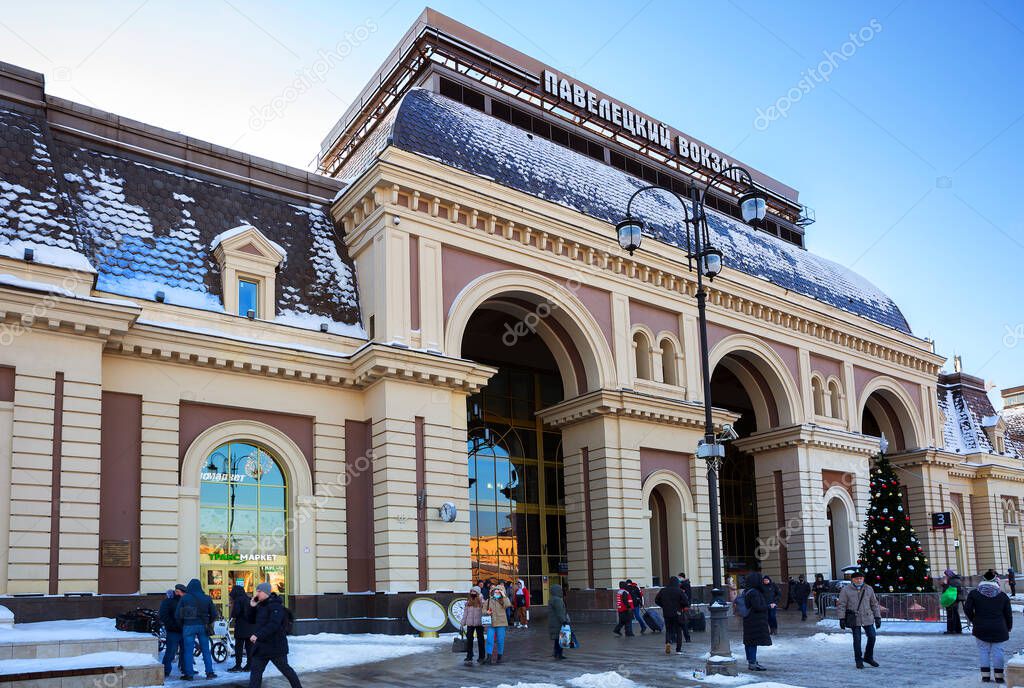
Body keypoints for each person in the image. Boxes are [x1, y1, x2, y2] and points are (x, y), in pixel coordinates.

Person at [246, 582, 302, 688]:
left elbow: (273, 625)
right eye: (257, 591)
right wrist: (252, 607)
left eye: (259, 591)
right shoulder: (260, 605)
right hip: (261, 648)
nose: (257, 594)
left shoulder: (276, 606)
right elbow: (250, 620)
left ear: (266, 592)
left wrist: (258, 635)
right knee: (255, 673)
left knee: (286, 670)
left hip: (276, 647)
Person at [965, 569, 1013, 684]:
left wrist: (974, 619)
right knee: (998, 651)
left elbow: (967, 609)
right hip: (999, 627)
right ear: (995, 581)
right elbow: (1008, 614)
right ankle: (999, 676)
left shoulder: (974, 594)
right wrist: (1009, 626)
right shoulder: (1002, 595)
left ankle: (985, 676)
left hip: (980, 627)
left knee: (983, 651)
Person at [836, 570, 881, 669]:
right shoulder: (846, 590)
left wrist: (877, 617)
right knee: (857, 640)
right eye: (857, 578)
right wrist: (841, 618)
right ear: (852, 580)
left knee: (872, 636)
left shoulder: (869, 589)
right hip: (854, 618)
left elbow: (874, 604)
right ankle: (858, 660)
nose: (859, 580)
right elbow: (841, 605)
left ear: (863, 579)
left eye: (861, 578)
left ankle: (868, 657)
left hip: (867, 617)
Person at [175, 578, 218, 680]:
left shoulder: (185, 598)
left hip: (188, 626)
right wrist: (208, 622)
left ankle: (189, 674)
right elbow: (214, 614)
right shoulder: (207, 598)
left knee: (188, 651)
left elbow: (177, 615)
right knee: (206, 651)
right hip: (203, 626)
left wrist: (183, 624)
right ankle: (209, 673)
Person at [740, 572, 771, 671]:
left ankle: (751, 661)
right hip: (755, 621)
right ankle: (753, 662)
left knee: (749, 642)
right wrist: (768, 606)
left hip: (748, 619)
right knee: (753, 642)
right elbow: (757, 607)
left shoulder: (747, 591)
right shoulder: (754, 592)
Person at [655, 576, 690, 654]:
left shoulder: (663, 590)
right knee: (678, 631)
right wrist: (681, 607)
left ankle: (668, 642)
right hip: (677, 613)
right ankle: (678, 649)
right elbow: (686, 602)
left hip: (667, 613)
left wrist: (663, 605)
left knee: (668, 630)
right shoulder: (679, 591)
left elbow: (656, 600)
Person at [158, 586, 186, 678]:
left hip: (184, 631)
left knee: (185, 651)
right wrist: (172, 626)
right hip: (173, 631)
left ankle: (185, 669)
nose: (184, 595)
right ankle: (165, 670)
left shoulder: (184, 601)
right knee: (170, 652)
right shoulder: (168, 601)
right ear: (178, 592)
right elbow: (163, 615)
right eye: (183, 593)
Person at [482, 584, 512, 664]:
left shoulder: (503, 600)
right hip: (491, 623)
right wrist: (486, 612)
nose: (496, 593)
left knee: (500, 641)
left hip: (501, 623)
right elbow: (483, 610)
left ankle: (499, 657)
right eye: (495, 591)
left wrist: (503, 595)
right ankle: (489, 657)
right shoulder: (488, 600)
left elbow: (508, 604)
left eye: (498, 592)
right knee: (489, 640)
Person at [228, 585, 254, 672]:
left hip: (241, 627)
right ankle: (249, 665)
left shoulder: (238, 600)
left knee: (239, 647)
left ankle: (238, 665)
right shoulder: (248, 599)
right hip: (250, 627)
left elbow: (236, 613)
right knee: (249, 647)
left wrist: (232, 610)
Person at [461, 586, 486, 665]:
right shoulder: (469, 601)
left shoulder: (482, 601)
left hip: (479, 623)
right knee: (469, 640)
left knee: (480, 640)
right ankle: (469, 655)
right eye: (471, 592)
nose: (472, 593)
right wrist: (463, 622)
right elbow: (465, 613)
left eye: (474, 592)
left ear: (478, 593)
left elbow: (485, 613)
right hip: (470, 623)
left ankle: (481, 656)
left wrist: (485, 623)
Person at [547, 584, 570, 660]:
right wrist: (564, 621)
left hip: (554, 622)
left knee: (557, 639)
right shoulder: (558, 600)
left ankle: (556, 653)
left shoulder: (552, 599)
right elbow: (560, 613)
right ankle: (559, 654)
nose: (562, 591)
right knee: (561, 639)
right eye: (560, 589)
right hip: (558, 623)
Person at [944, 568, 965, 634]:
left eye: (946, 575)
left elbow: (949, 590)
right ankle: (957, 629)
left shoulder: (953, 580)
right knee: (955, 613)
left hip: (952, 599)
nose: (945, 576)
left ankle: (952, 629)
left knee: (951, 614)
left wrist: (944, 584)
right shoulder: (956, 579)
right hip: (954, 598)